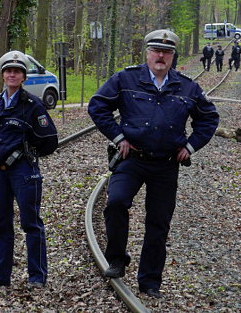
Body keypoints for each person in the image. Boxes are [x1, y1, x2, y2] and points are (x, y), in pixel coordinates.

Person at [87, 29, 219, 298]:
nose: (161, 55)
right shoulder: (125, 79)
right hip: (131, 159)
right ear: (147, 52)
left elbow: (209, 119)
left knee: (158, 223)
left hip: (166, 164)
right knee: (115, 203)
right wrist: (118, 136)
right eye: (156, 50)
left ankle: (150, 281)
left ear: (173, 56)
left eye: (166, 52)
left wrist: (190, 146)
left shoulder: (188, 87)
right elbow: (98, 105)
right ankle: (116, 259)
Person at [0, 50, 59, 289]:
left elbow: (50, 139)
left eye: (17, 71)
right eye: (8, 71)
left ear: (24, 77)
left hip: (24, 172)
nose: (12, 75)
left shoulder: (33, 105)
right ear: (3, 75)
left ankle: (37, 277)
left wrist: (28, 154)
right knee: (0, 223)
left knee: (30, 223)